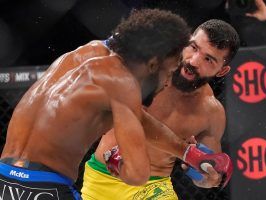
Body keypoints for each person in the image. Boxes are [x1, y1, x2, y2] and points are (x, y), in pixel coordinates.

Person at [0, 9, 193, 200]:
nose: (168, 82)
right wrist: (119, 166)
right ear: (153, 64)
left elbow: (140, 120)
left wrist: (188, 152)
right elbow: (138, 174)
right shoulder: (123, 82)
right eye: (170, 71)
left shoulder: (85, 55)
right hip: (46, 188)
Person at [81, 19, 240, 200]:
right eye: (194, 48)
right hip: (101, 179)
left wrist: (210, 178)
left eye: (209, 59)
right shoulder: (146, 68)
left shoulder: (212, 113)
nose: (194, 61)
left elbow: (202, 177)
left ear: (222, 71)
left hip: (153, 188)